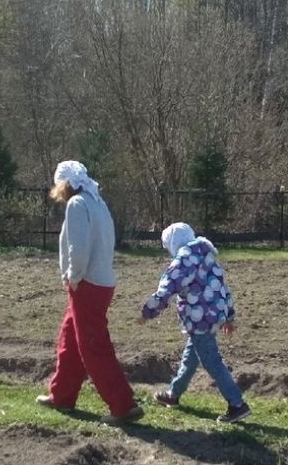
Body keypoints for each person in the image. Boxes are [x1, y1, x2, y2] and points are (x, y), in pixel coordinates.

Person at [35, 161, 144, 425]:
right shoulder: (98, 203)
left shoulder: (77, 205)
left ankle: (123, 405)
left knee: (94, 347)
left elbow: (79, 250)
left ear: (66, 183)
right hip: (101, 282)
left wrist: (73, 277)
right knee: (70, 341)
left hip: (87, 284)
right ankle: (61, 395)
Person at [138, 222, 251, 423]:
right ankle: (173, 394)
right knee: (191, 357)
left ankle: (237, 404)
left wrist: (149, 311)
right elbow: (223, 287)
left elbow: (168, 286)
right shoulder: (208, 256)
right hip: (214, 315)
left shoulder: (183, 259)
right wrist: (229, 316)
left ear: (173, 242)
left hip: (200, 319)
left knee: (211, 361)